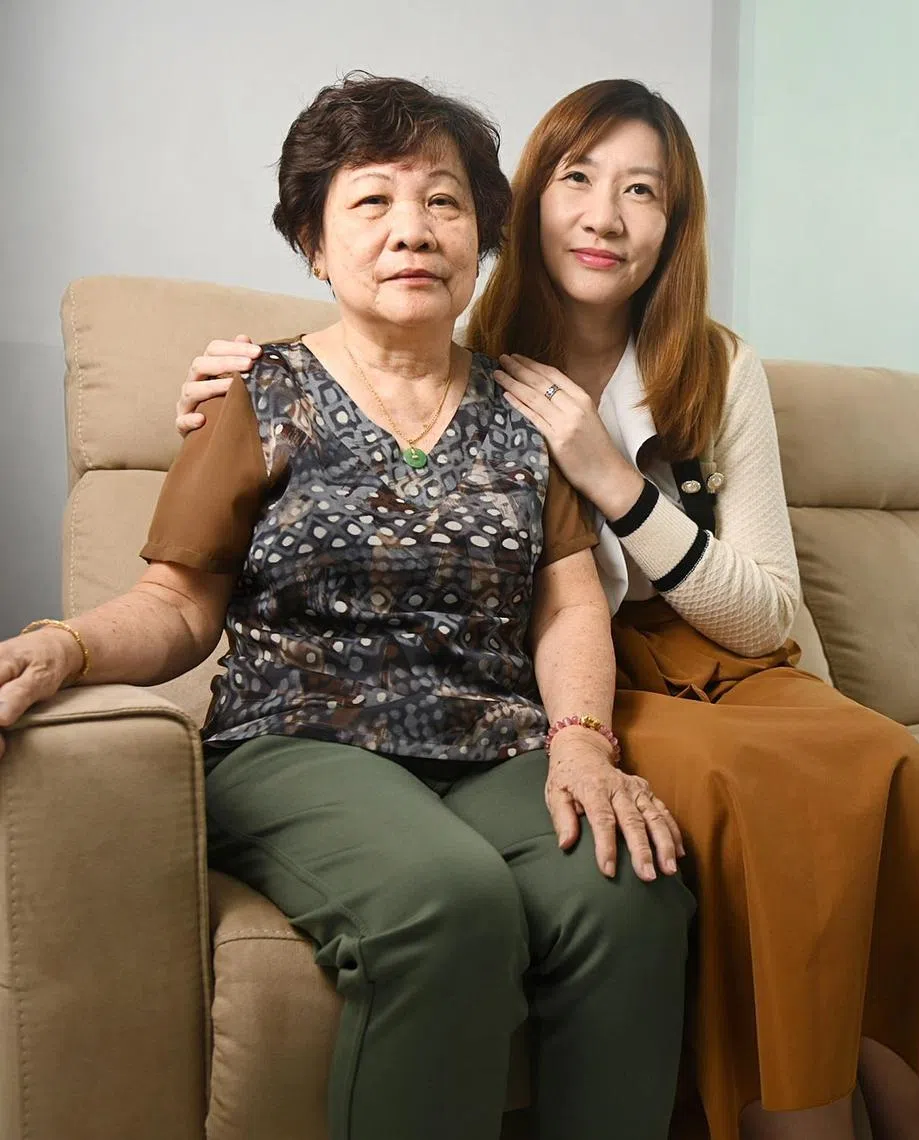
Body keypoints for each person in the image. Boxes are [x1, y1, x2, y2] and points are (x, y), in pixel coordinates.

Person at [175, 78, 919, 1140]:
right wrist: (237, 382)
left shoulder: (714, 363)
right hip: (577, 671)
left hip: (718, 656)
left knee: (882, 763)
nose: (607, 215)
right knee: (744, 797)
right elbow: (367, 356)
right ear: (521, 205)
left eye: (643, 191)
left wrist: (615, 478)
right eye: (577, 178)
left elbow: (767, 617)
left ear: (674, 223)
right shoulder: (469, 338)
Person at [0, 74, 697, 1140]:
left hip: (491, 745)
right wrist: (68, 647)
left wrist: (584, 745)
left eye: (446, 202)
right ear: (315, 244)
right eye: (373, 201)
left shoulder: (529, 411)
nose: (413, 230)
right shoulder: (257, 393)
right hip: (296, 744)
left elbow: (566, 610)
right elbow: (178, 604)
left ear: (482, 241)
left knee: (631, 893)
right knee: (446, 903)